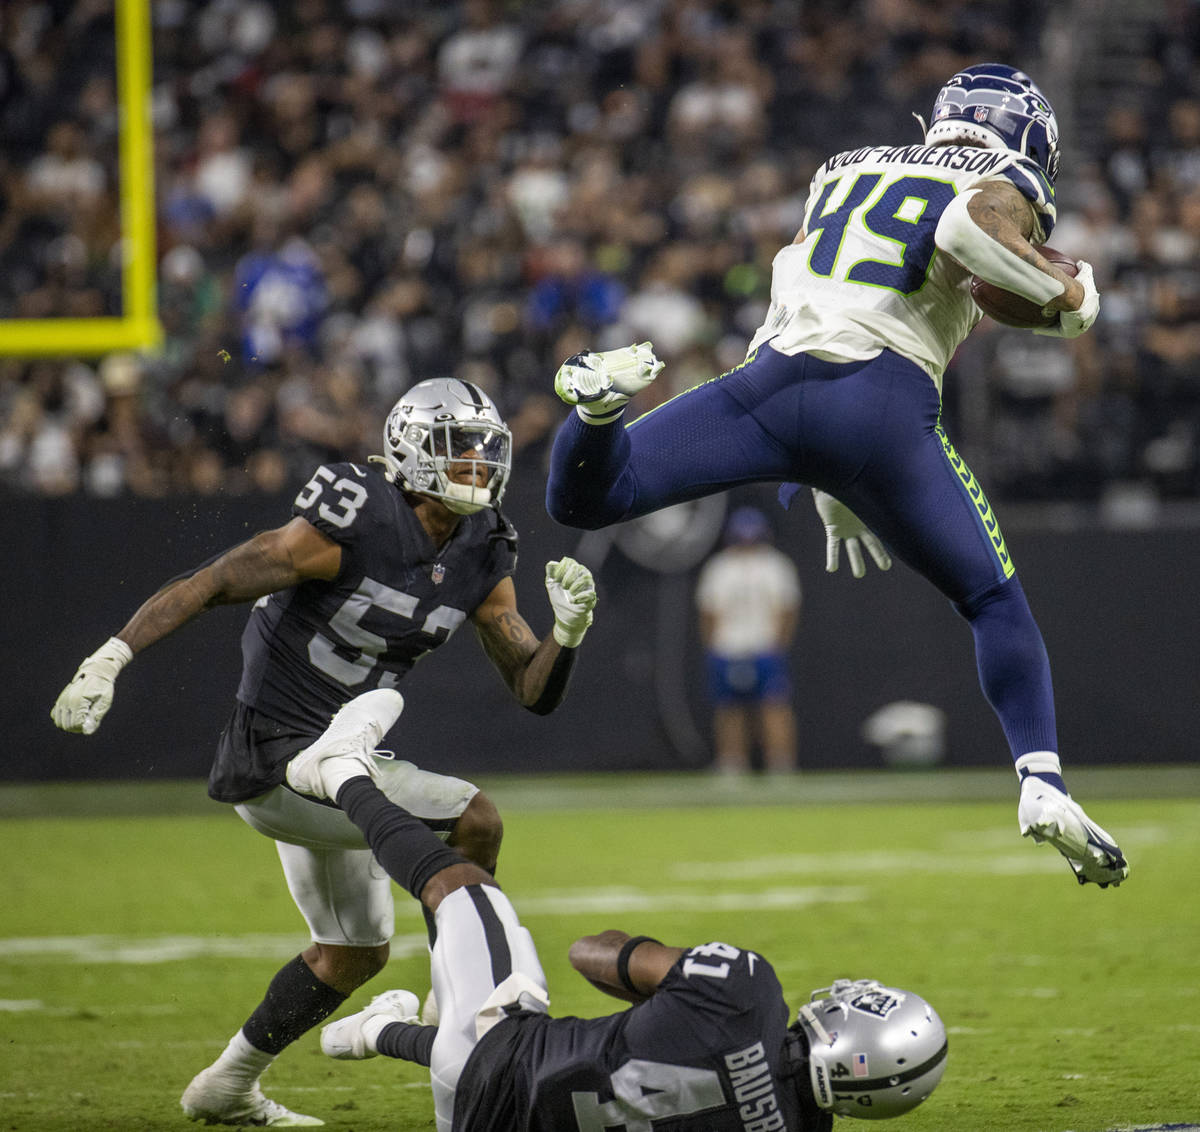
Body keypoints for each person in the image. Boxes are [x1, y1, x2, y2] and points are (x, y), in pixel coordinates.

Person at [544, 64, 1129, 888]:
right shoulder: (1004, 176)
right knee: (993, 601)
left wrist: (823, 478)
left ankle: (595, 409)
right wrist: (1072, 300)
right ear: (1024, 132)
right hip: (879, 401)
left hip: (769, 386)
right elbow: (968, 230)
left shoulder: (846, 165)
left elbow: (808, 290)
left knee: (588, 496)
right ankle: (1041, 781)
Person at [50, 378, 598, 1127]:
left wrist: (566, 636)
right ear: (408, 452)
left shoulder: (482, 546)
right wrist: (113, 654)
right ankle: (457, 1006)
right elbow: (216, 580)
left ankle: (225, 1087)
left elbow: (532, 692)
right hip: (276, 758)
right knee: (477, 821)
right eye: (456, 448)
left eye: (483, 450)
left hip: (340, 761)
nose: (475, 464)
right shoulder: (355, 515)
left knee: (353, 955)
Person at [277, 688, 948, 1130]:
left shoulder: (747, 993)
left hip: (500, 1059)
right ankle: (375, 1033)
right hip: (479, 1118)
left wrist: (659, 999)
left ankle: (340, 771)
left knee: (464, 885)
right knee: (478, 1042)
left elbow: (590, 954)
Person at [696, 505, 802, 775]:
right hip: (733, 647)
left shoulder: (771, 564)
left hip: (759, 646)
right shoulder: (724, 567)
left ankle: (779, 762)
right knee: (730, 709)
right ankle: (733, 761)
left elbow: (787, 610)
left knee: (771, 706)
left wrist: (777, 645)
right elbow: (709, 612)